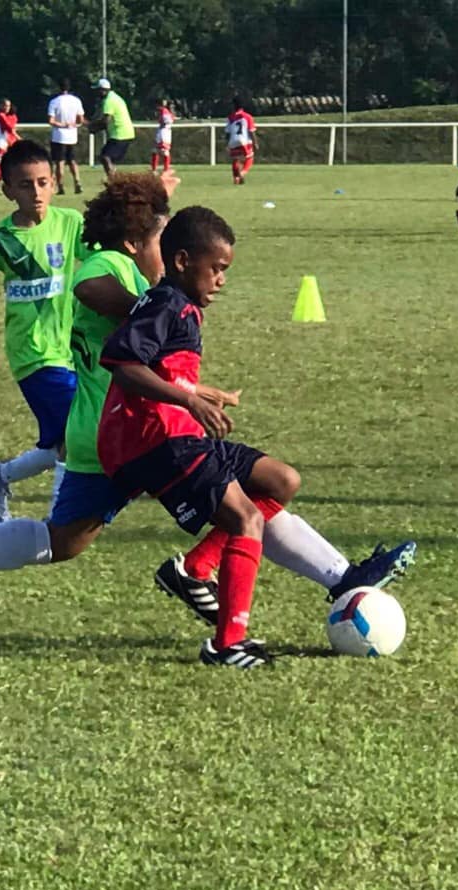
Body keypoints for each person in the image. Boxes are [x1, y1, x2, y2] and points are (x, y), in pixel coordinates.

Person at [96, 206, 416, 667]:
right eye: (217, 269)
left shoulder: (178, 304)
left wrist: (201, 392)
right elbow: (123, 363)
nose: (222, 280)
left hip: (179, 431)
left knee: (281, 481)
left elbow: (159, 368)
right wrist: (188, 401)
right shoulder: (167, 303)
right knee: (244, 518)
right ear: (183, 261)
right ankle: (227, 644)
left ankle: (196, 569)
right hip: (155, 441)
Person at [0, 171, 176, 619]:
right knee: (244, 498)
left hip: (106, 420)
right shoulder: (110, 266)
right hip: (106, 418)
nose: (37, 192)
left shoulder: (99, 246)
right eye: (163, 240)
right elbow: (90, 282)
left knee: (61, 541)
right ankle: (233, 593)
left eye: (44, 182)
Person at [0, 140, 84, 524]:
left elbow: (101, 259)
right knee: (74, 435)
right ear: (7, 190)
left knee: (65, 437)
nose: (35, 192)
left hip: (73, 349)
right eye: (25, 185)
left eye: (42, 182)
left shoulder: (70, 223)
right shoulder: (0, 239)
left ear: (54, 183)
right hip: (33, 353)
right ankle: (61, 519)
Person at [47, 78, 86, 195]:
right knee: (72, 160)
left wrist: (62, 124)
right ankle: (77, 182)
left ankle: (61, 186)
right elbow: (81, 119)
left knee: (60, 162)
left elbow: (51, 120)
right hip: (72, 135)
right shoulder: (76, 101)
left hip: (59, 136)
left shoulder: (54, 102)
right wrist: (73, 124)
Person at [91, 78, 135, 176]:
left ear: (103, 90)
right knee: (106, 156)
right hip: (125, 133)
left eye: (98, 90)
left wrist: (94, 128)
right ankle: (114, 177)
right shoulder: (116, 97)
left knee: (105, 157)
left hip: (120, 134)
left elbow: (106, 121)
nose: (96, 93)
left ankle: (114, 181)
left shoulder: (109, 101)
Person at [0, 99, 19, 189]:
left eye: (8, 106)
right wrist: (18, 138)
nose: (7, 108)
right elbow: (9, 128)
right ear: (1, 106)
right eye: (5, 105)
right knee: (0, 160)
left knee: (5, 160)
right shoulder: (1, 115)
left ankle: (0, 179)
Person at [225, 97, 257, 184]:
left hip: (233, 141)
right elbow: (251, 131)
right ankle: (242, 173)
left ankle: (236, 178)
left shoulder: (230, 117)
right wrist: (255, 143)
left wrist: (227, 144)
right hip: (244, 141)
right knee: (249, 158)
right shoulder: (247, 117)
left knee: (236, 160)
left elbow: (227, 133)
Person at [151, 99, 174, 172]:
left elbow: (166, 121)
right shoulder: (167, 112)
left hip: (164, 132)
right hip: (164, 131)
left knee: (163, 150)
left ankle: (163, 169)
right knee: (157, 150)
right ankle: (158, 169)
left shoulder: (164, 111)